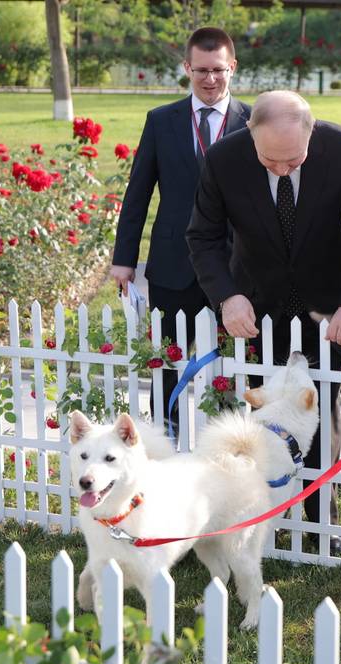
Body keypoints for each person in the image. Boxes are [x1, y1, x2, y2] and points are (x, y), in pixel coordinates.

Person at [187, 91, 341, 554]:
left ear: (311, 134)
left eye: (292, 159)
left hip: (327, 308)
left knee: (319, 407)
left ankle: (323, 523)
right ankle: (262, 516)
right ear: (250, 136)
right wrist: (227, 297)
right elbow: (203, 235)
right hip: (256, 306)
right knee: (264, 414)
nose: (280, 169)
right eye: (269, 160)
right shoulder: (223, 159)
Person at [110, 27, 251, 436]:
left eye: (219, 70)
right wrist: (123, 259)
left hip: (234, 267)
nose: (210, 79)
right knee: (166, 364)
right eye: (201, 70)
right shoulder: (161, 121)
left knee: (228, 364)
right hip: (173, 266)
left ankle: (224, 443)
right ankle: (165, 440)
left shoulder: (254, 119)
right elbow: (138, 193)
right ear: (187, 68)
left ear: (233, 68)